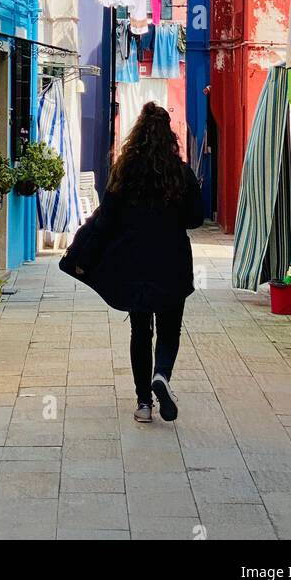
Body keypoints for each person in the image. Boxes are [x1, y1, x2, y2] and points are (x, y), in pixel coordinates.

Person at [60, 101, 204, 424]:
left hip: (135, 266)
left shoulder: (124, 174)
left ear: (136, 135)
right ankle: (162, 375)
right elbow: (196, 219)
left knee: (141, 331)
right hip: (172, 265)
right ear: (169, 137)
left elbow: (105, 220)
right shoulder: (180, 174)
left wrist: (79, 253)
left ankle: (143, 403)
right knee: (169, 331)